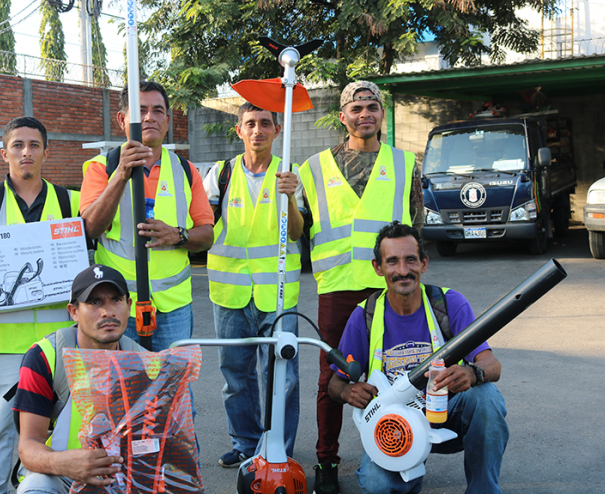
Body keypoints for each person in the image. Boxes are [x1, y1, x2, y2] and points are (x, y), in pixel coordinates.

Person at [298, 81, 424, 493]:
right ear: (343, 116)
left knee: (403, 372)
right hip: (336, 288)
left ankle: (404, 448)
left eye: (372, 107)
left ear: (381, 115)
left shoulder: (405, 165)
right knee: (330, 380)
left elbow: (416, 230)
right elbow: (298, 228)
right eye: (356, 108)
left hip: (389, 288)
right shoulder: (314, 168)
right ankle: (326, 461)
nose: (364, 114)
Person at [328, 222, 508, 494]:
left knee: (487, 398)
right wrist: (347, 391)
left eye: (410, 260)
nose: (403, 271)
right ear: (378, 268)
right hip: (396, 428)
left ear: (424, 263)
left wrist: (473, 374)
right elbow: (334, 384)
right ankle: (406, 479)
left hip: (446, 415)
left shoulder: (449, 304)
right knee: (377, 485)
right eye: (392, 262)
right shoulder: (364, 316)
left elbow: (492, 365)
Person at [0, 116, 81, 494]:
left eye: (34, 145)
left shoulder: (68, 201)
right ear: (4, 151)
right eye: (18, 144)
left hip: (61, 336)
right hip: (6, 341)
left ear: (45, 151)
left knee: (69, 419)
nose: (26, 152)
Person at [203, 103, 305, 467]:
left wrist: (290, 196)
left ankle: (279, 447)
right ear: (239, 131)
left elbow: (296, 232)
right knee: (236, 375)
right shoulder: (221, 174)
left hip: (276, 294)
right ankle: (246, 444)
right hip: (229, 292)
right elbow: (202, 225)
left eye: (265, 123)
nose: (257, 130)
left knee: (283, 376)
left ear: (277, 130)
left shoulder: (290, 173)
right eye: (250, 124)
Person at [80, 80, 214, 351]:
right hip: (117, 306)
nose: (149, 117)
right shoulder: (100, 168)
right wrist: (120, 175)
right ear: (122, 119)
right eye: (140, 110)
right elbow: (90, 229)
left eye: (157, 110)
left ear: (167, 120)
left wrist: (177, 235)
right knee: (121, 390)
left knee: (172, 389)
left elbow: (207, 235)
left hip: (173, 308)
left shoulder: (186, 171)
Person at [11, 264, 137, 493]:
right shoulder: (45, 357)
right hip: (63, 474)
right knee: (35, 487)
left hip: (126, 476)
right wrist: (65, 463)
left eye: (116, 300)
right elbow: (28, 447)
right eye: (95, 302)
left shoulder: (145, 362)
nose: (108, 312)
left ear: (129, 306)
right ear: (73, 311)